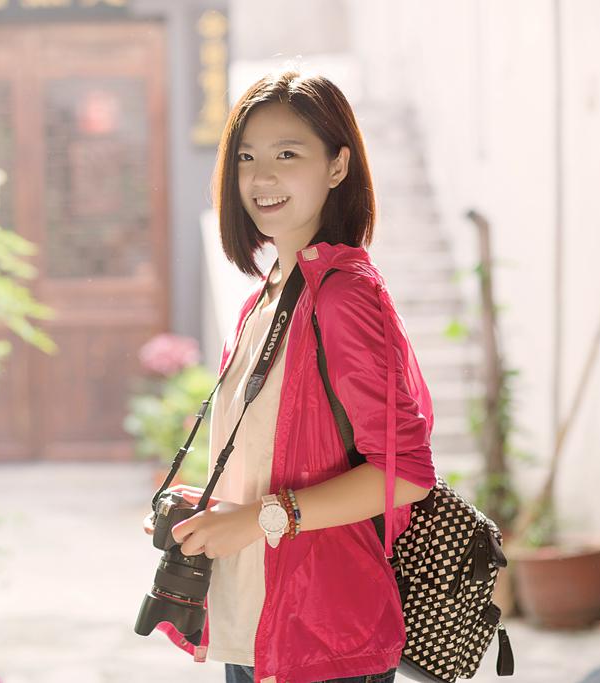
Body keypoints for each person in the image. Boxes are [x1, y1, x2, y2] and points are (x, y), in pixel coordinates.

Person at [141, 65, 438, 683]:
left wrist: (256, 519)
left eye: (287, 154)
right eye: (246, 157)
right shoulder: (265, 298)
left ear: (337, 166)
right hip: (254, 625)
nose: (262, 177)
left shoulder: (344, 295)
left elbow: (404, 473)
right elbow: (279, 459)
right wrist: (215, 510)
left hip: (325, 635)